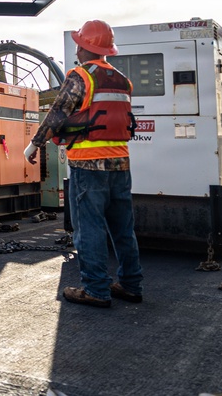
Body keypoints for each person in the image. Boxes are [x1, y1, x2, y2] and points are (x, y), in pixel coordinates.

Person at [24, 19, 143, 308]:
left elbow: (57, 113)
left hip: (88, 167)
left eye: (79, 44)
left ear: (84, 47)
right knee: (123, 229)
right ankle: (130, 285)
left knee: (88, 229)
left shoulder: (80, 76)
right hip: (120, 165)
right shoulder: (121, 79)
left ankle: (96, 290)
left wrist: (34, 144)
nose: (76, 49)